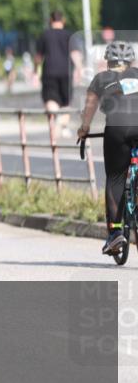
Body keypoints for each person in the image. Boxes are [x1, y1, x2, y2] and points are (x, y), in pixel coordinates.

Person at [76, 41, 138, 255]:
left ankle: (115, 234)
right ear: (131, 61)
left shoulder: (101, 78)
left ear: (108, 60)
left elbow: (90, 106)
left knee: (116, 177)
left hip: (117, 130)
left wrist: (84, 129)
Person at [37, 10, 83, 135]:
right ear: (63, 21)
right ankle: (63, 126)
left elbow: (39, 57)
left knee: (50, 98)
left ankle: (57, 119)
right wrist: (79, 69)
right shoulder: (69, 35)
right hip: (66, 72)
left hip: (49, 72)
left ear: (51, 21)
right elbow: (74, 53)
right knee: (66, 101)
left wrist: (35, 71)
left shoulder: (44, 35)